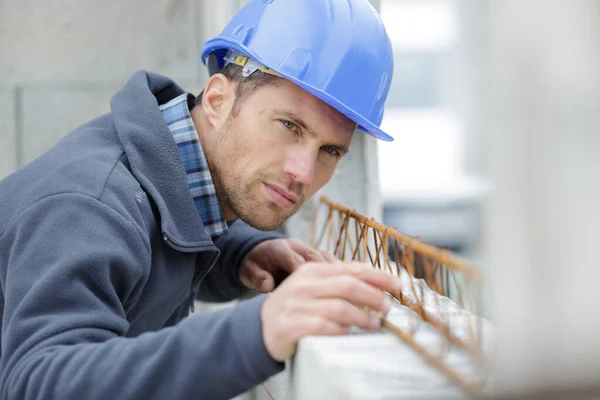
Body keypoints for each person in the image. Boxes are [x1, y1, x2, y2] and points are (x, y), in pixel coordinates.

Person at [0, 0, 397, 398]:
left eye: (330, 150)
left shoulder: (163, 178)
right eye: (289, 126)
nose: (303, 172)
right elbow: (39, 384)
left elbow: (155, 243)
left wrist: (238, 253)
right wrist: (260, 330)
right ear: (216, 100)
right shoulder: (90, 208)